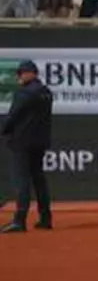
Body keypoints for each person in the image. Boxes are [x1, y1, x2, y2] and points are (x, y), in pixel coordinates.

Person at [0, 61, 54, 233]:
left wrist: (4, 130)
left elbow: (13, 116)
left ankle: (19, 220)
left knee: (21, 180)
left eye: (21, 73)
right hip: (40, 142)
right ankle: (45, 218)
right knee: (39, 179)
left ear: (30, 73)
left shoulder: (24, 93)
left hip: (22, 143)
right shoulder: (46, 92)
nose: (19, 77)